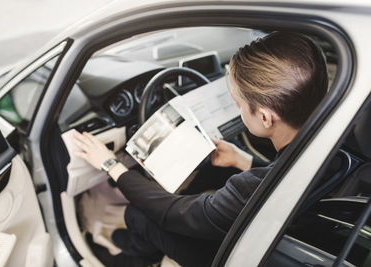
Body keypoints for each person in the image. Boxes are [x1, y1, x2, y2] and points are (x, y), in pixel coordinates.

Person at [73, 31, 328, 267]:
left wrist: (111, 165)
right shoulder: (332, 149)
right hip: (288, 238)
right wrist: (243, 160)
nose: (238, 109)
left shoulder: (250, 188)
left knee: (141, 216)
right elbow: (280, 180)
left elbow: (174, 214)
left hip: (231, 258)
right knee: (213, 172)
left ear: (264, 117)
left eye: (239, 103)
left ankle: (134, 257)